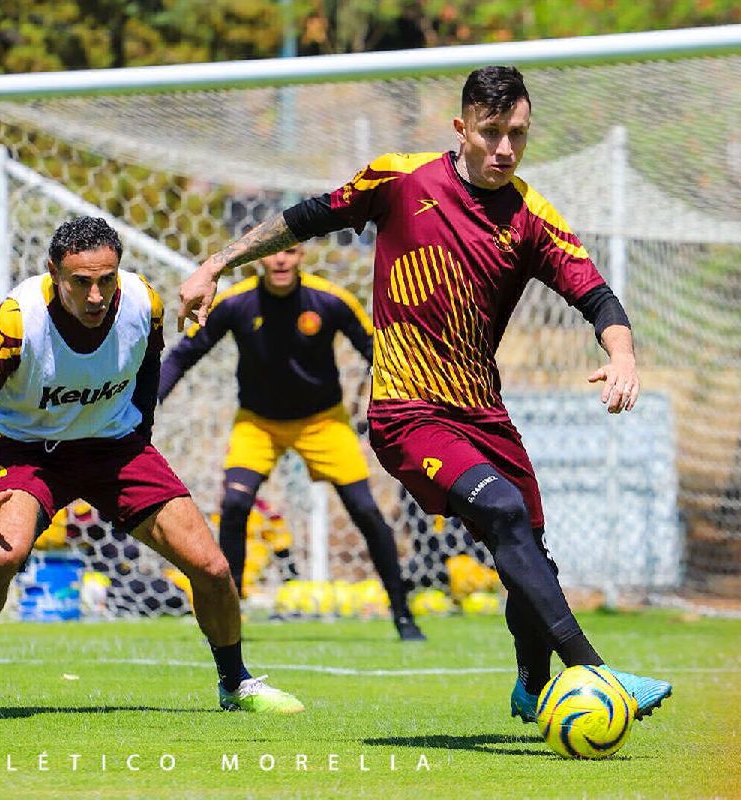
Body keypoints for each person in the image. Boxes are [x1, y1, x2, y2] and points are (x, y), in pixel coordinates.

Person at [178, 66, 672, 722]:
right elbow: (302, 219)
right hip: (406, 412)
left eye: (517, 135)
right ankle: (596, 673)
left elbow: (596, 295)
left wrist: (622, 354)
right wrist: (214, 265)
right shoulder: (400, 179)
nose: (505, 149)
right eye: (492, 133)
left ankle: (531, 685)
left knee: (529, 552)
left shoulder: (531, 217)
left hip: (484, 414)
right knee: (500, 513)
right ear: (461, 128)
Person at [0, 216, 303, 720]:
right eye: (81, 282)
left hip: (116, 448)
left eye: (106, 279)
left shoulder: (143, 302)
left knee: (213, 567)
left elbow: (149, 368)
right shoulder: (15, 320)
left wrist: (140, 440)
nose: (96, 295)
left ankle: (235, 682)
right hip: (31, 452)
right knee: (4, 555)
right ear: (54, 273)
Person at [158, 244, 425, 641]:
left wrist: (404, 400)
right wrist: (149, 402)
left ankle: (403, 616)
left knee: (366, 510)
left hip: (324, 423)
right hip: (258, 425)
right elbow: (184, 355)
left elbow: (376, 352)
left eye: (291, 251)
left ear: (302, 257)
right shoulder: (235, 304)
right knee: (234, 505)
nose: (281, 260)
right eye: (273, 254)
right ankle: (231, 615)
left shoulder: (330, 300)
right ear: (260, 259)